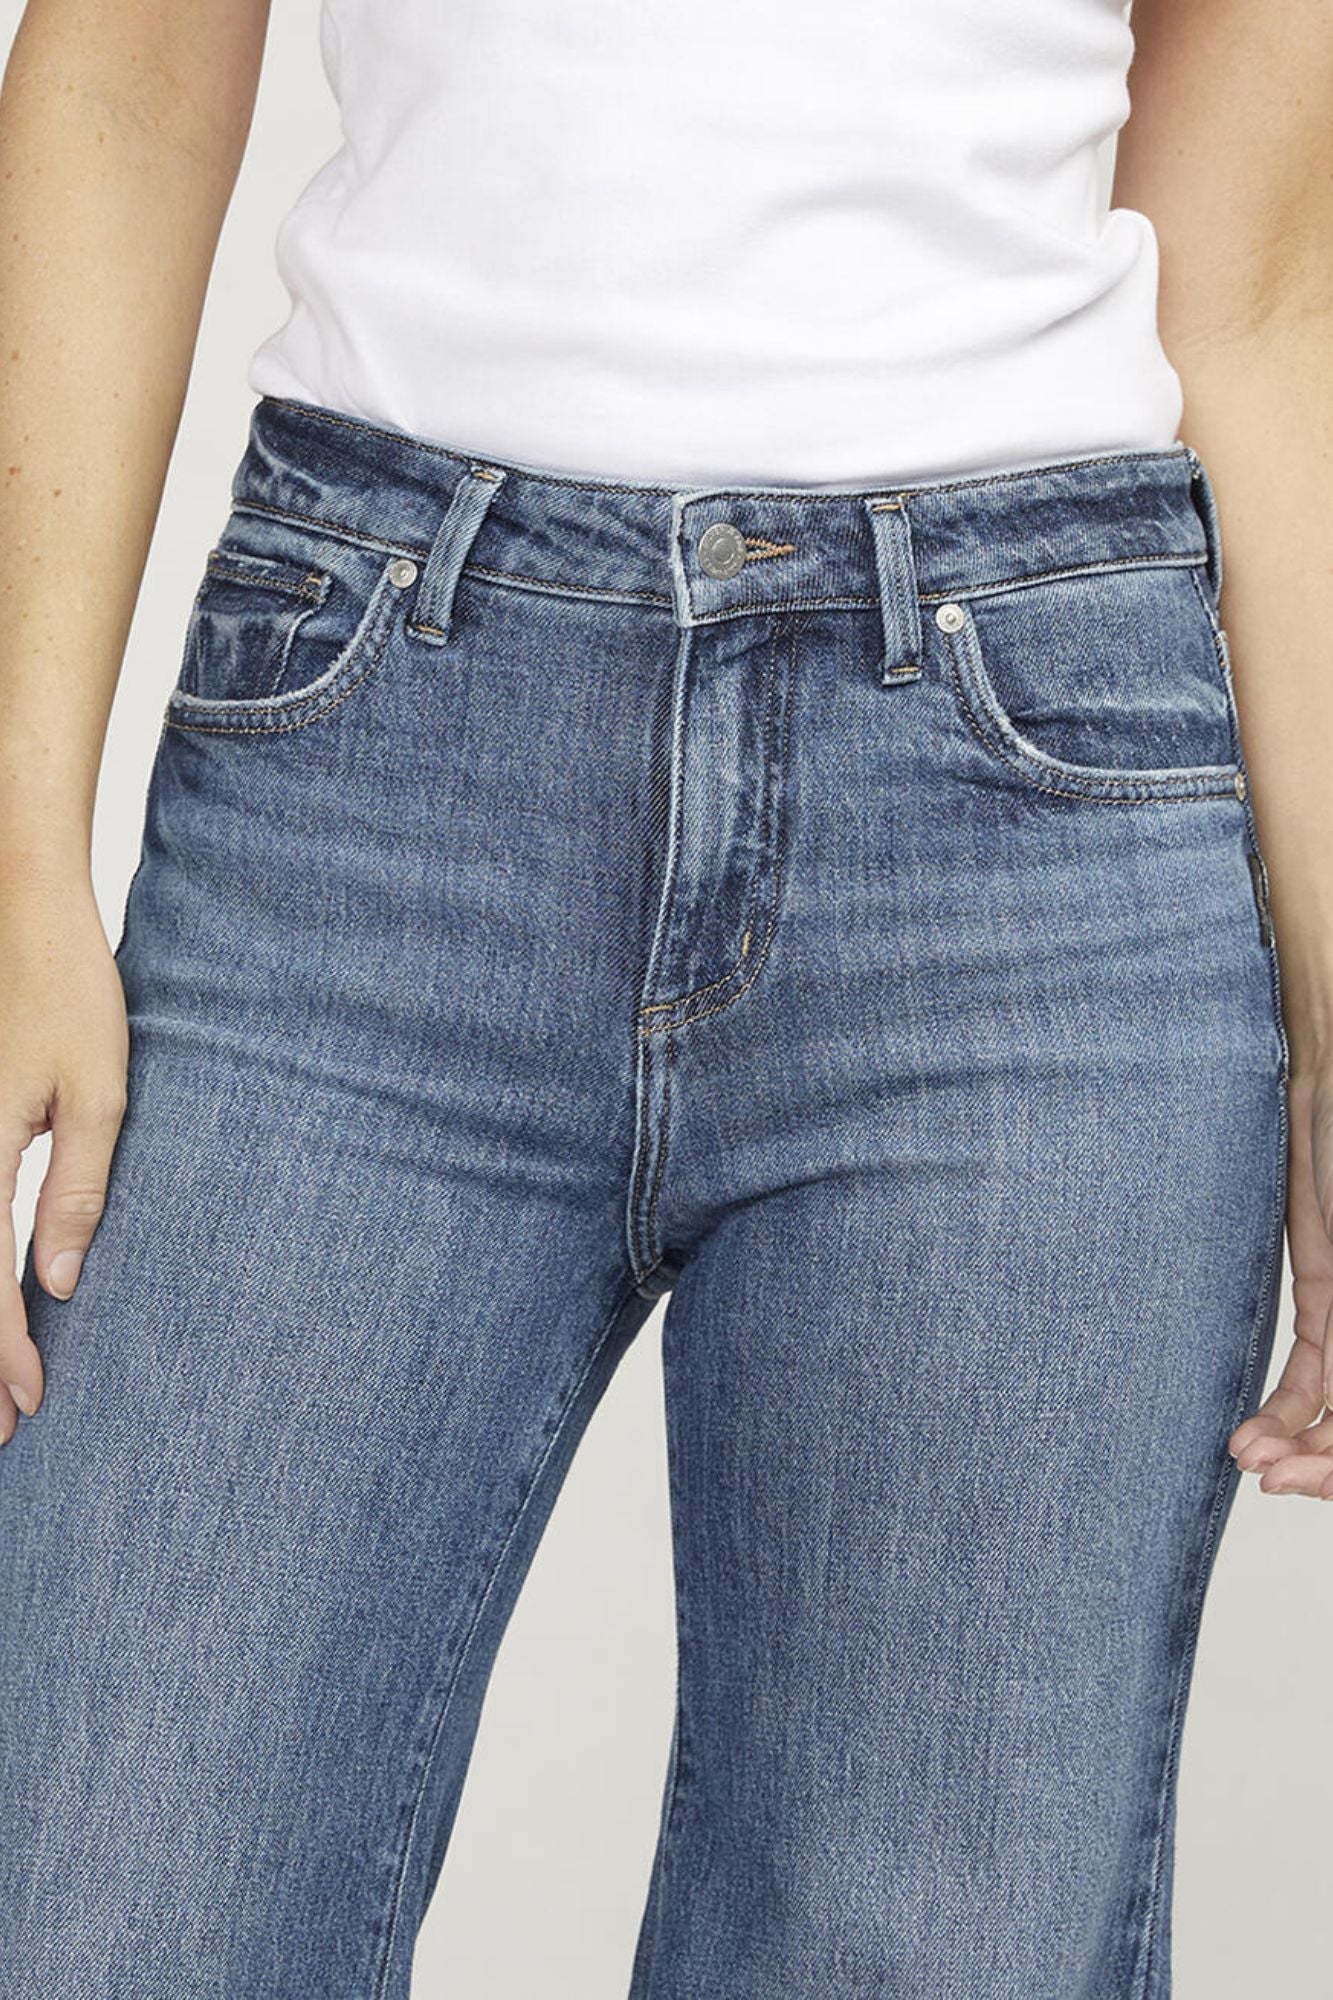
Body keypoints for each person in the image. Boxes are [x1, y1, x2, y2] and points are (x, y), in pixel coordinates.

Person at [0, 1, 1328, 1995]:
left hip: (1031, 821)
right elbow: (125, 71)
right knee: (99, 1918)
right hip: (369, 780)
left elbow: (1252, 286)